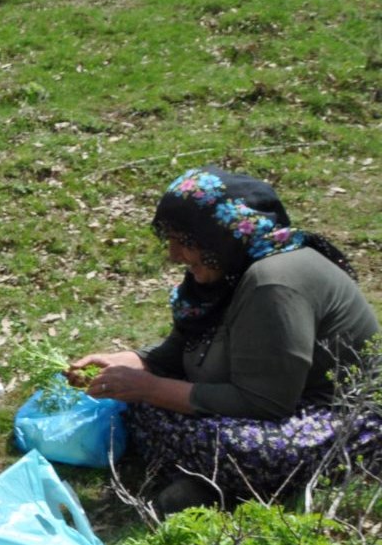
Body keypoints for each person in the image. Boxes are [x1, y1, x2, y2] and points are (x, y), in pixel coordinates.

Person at [72, 167, 382, 512]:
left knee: (225, 445)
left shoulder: (272, 282)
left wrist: (147, 387)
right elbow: (179, 351)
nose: (174, 254)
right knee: (139, 406)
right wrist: (127, 361)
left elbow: (266, 402)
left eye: (185, 241)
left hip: (340, 420)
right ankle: (209, 481)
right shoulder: (231, 270)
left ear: (224, 234)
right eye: (170, 239)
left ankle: (218, 485)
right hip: (267, 401)